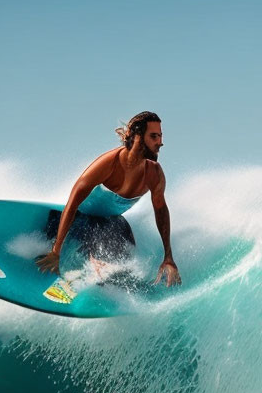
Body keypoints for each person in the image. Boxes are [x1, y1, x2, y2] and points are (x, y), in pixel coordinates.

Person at [35, 111, 181, 286]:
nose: (160, 142)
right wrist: (56, 252)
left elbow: (161, 211)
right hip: (81, 220)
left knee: (126, 268)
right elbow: (72, 205)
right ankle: (82, 270)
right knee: (99, 246)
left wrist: (168, 257)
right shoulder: (108, 164)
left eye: (160, 136)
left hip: (114, 224)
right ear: (136, 137)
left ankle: (113, 284)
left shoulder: (154, 173)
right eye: (154, 136)